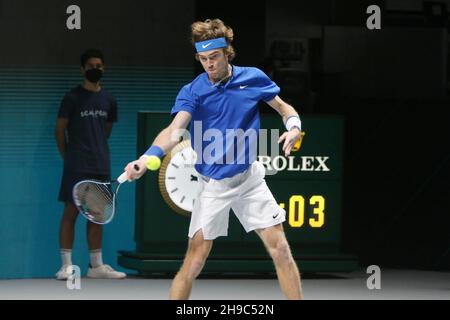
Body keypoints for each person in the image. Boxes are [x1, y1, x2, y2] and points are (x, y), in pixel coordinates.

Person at [124, 19, 304, 299]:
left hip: (249, 179)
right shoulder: (192, 92)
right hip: (213, 185)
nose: (209, 64)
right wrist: (146, 158)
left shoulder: (252, 78)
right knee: (194, 261)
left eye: (214, 57)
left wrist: (294, 127)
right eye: (203, 58)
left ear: (227, 52)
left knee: (280, 249)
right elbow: (174, 131)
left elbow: (283, 108)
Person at [54, 49, 125, 280]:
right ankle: (66, 266)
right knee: (71, 213)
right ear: (83, 69)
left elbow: (106, 131)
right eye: (91, 65)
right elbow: (60, 130)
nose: (96, 69)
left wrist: (96, 150)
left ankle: (96, 267)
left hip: (100, 165)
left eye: (99, 65)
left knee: (97, 214)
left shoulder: (109, 99)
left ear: (103, 69)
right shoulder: (72, 98)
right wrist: (68, 156)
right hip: (76, 165)